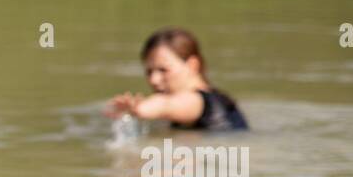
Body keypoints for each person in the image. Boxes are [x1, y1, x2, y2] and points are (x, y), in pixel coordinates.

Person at [105, 28, 249, 131]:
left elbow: (165, 105)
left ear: (193, 65)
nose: (154, 80)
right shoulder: (218, 100)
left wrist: (139, 109)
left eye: (164, 70)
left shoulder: (197, 100)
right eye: (149, 71)